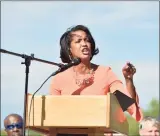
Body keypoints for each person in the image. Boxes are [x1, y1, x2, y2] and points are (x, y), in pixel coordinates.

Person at [49, 25, 143, 135]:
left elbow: (127, 103)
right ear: (69, 49)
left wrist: (128, 80)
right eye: (78, 41)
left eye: (87, 40)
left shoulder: (105, 73)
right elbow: (53, 117)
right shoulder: (59, 79)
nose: (84, 44)